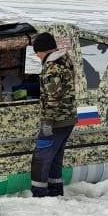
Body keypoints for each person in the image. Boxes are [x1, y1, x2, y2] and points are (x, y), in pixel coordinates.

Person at [30, 32, 77, 197]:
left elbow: (53, 97)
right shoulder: (65, 60)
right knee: (55, 159)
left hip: (55, 122)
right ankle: (56, 193)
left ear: (43, 50)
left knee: (40, 160)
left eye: (37, 52)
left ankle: (40, 196)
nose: (36, 55)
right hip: (68, 119)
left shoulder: (51, 67)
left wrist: (47, 122)